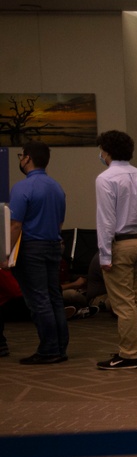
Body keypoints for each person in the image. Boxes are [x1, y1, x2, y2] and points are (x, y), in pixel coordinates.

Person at [93, 130, 137, 370]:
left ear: (107, 152)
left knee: (123, 302)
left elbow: (106, 221)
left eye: (101, 150)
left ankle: (128, 354)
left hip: (121, 243)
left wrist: (105, 254)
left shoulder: (106, 178)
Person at [3, 141, 69, 365]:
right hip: (53, 246)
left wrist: (5, 255)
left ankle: (49, 349)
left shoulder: (22, 187)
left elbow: (15, 226)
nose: (20, 159)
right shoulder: (56, 187)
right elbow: (60, 222)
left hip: (31, 248)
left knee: (38, 300)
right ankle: (60, 346)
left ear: (28, 158)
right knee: (54, 298)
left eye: (20, 155)